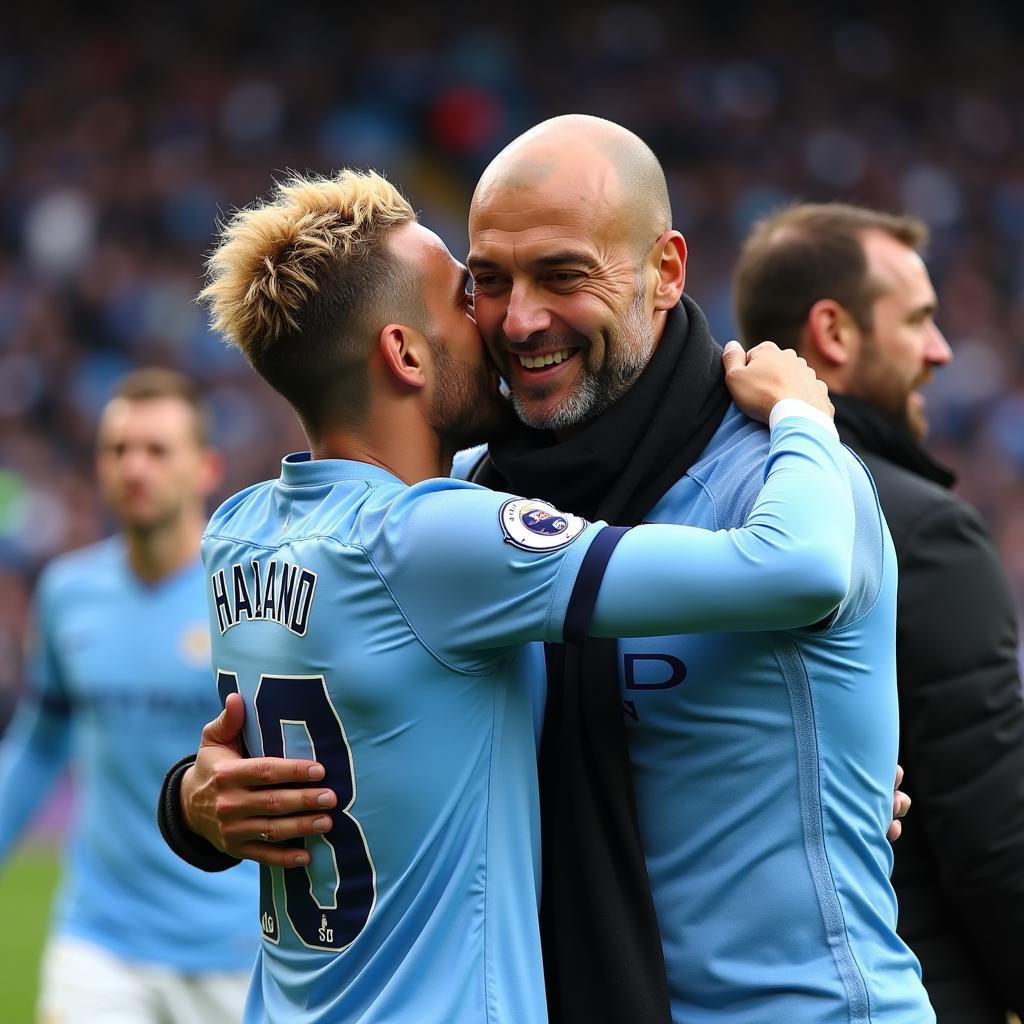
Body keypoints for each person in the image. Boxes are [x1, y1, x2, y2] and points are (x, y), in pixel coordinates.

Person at [156, 166, 863, 1024]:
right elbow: (798, 567)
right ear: (405, 353)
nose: (502, 325)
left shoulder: (237, 531)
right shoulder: (439, 537)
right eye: (469, 295)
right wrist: (805, 421)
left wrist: (191, 801)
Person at [733, 201, 1024, 1024]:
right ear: (834, 332)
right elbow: (995, 839)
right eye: (920, 321)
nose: (940, 351)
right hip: (902, 987)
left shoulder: (702, 510)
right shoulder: (922, 531)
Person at [0, 368, 259, 1024]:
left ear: (206, 467)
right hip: (100, 940)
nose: (134, 467)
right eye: (118, 450)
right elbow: (39, 743)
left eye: (156, 450)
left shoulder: (252, 602)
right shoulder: (67, 594)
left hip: (233, 946)